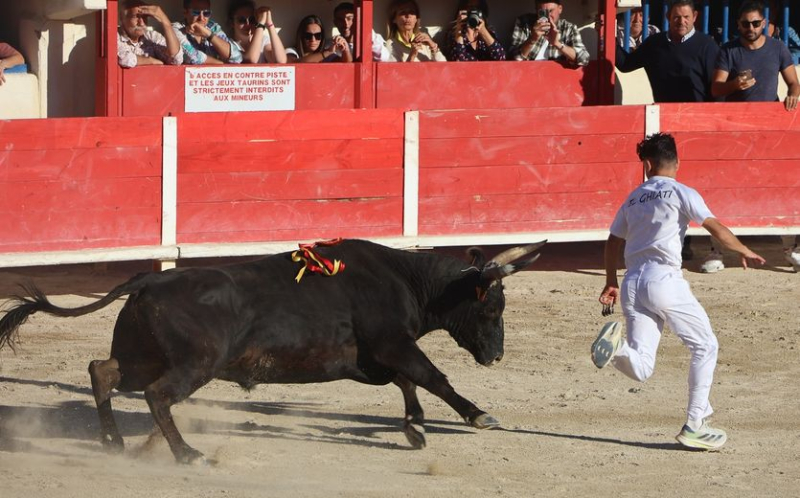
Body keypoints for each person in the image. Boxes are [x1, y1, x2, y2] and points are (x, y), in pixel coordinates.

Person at [593, 132, 765, 450]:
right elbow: (714, 227)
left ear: (646, 165)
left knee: (641, 365)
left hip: (632, 283)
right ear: (677, 162)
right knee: (705, 345)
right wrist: (743, 249)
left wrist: (610, 281)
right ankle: (695, 423)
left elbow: (613, 241)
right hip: (664, 281)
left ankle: (617, 349)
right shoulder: (680, 191)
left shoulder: (632, 198)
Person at [704, 0, 800, 273]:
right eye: (745, 24)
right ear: (738, 25)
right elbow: (716, 88)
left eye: (756, 23)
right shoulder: (729, 50)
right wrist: (736, 84)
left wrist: (793, 94)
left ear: (764, 23)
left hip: (770, 129)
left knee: (779, 184)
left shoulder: (778, 48)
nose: (751, 28)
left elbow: (793, 82)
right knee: (723, 187)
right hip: (735, 128)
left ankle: (789, 248)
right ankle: (716, 249)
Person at [615, 0, 719, 103]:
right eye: (676, 17)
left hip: (697, 115)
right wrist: (606, 33)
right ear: (668, 16)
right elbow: (625, 64)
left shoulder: (707, 46)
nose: (681, 22)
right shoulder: (654, 43)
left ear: (695, 17)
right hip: (663, 115)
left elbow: (716, 88)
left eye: (686, 17)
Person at [509, 0, 589, 67]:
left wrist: (557, 44)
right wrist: (532, 39)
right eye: (543, 12)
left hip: (558, 80)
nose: (547, 16)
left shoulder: (569, 28)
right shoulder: (524, 23)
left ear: (560, 9)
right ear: (536, 10)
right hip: (529, 77)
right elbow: (513, 59)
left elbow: (584, 59)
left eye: (551, 11)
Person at [172, 0, 242, 64]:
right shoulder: (177, 29)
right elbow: (194, 58)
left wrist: (208, 35)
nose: (201, 18)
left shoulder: (213, 28)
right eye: (196, 12)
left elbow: (237, 57)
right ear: (185, 13)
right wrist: (221, 64)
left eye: (206, 13)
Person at [117, 0, 182, 68]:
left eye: (144, 17)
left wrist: (165, 21)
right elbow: (123, 59)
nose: (141, 23)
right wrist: (150, 61)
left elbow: (176, 59)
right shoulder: (114, 35)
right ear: (122, 18)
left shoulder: (151, 36)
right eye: (135, 17)